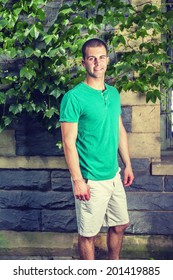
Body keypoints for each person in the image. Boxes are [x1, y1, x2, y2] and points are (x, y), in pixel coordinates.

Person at [60, 38, 134, 260]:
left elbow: (119, 129)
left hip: (113, 174)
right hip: (90, 178)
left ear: (107, 60)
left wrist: (127, 164)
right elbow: (68, 143)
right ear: (84, 62)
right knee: (88, 234)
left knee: (120, 224)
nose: (97, 63)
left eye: (101, 57)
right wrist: (78, 180)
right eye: (92, 58)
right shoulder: (73, 98)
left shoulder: (113, 93)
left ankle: (113, 268)